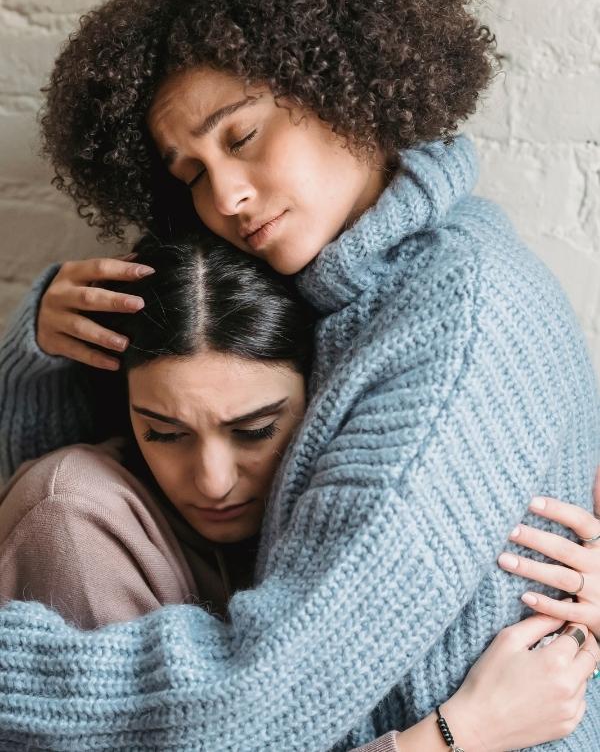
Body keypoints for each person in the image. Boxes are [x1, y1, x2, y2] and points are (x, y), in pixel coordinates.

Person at [0, 0, 599, 750]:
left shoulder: (456, 324)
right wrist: (42, 344)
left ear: (342, 87)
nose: (226, 197)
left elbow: (256, 700)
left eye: (241, 137)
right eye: (192, 172)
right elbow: (70, 486)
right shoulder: (349, 284)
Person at [1, 232, 599, 752]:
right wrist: (457, 733)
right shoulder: (73, 523)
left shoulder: (337, 505)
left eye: (255, 430)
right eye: (165, 432)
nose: (212, 480)